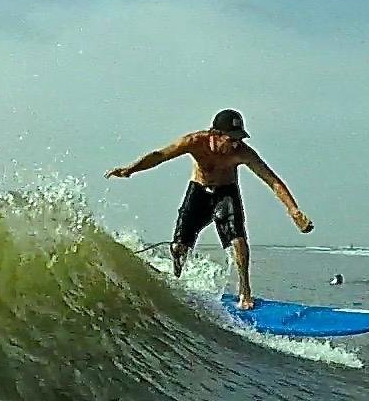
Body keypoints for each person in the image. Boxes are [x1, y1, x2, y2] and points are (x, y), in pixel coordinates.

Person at [106, 109, 312, 310]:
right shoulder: (195, 142)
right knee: (178, 248)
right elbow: (160, 155)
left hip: (226, 193)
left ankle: (245, 291)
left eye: (239, 139)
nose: (235, 144)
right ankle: (177, 281)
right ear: (216, 135)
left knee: (238, 241)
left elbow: (272, 181)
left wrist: (293, 211)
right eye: (231, 139)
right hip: (198, 192)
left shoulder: (243, 153)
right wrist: (130, 169)